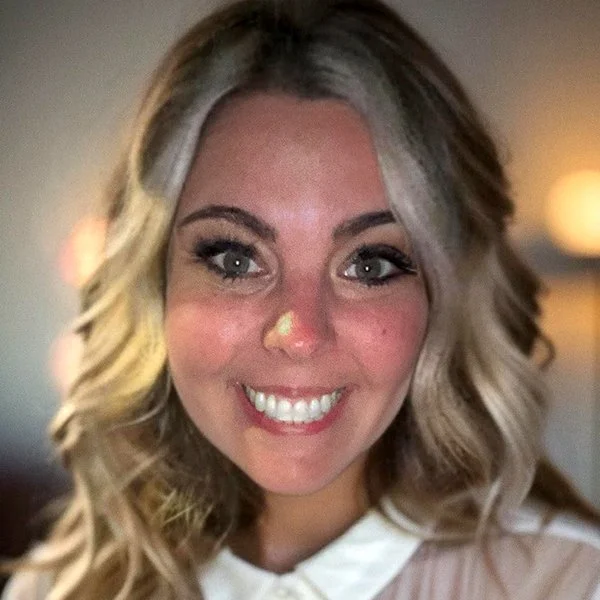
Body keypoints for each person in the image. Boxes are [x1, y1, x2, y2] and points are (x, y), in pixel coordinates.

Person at [3, 0, 600, 598]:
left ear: (441, 297)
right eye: (235, 260)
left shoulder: (567, 584)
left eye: (369, 264)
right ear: (154, 279)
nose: (300, 332)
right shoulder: (59, 589)